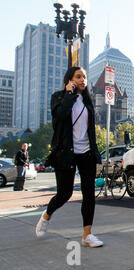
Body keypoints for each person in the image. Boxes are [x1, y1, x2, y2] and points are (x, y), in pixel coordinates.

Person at [35, 66, 104, 248]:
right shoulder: (58, 97)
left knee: (89, 195)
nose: (83, 80)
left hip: (87, 152)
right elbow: (59, 116)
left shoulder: (88, 101)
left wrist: (95, 150)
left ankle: (87, 235)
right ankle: (46, 215)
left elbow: (90, 130)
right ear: (70, 79)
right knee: (64, 193)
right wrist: (68, 94)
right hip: (67, 152)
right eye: (78, 76)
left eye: (85, 77)